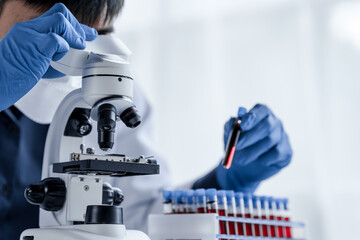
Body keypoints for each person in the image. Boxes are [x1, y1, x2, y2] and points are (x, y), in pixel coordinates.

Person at [0, 0, 293, 239]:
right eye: (50, 34)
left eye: (97, 34)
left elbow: (137, 217)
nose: (76, 55)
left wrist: (224, 183)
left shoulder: (107, 85)